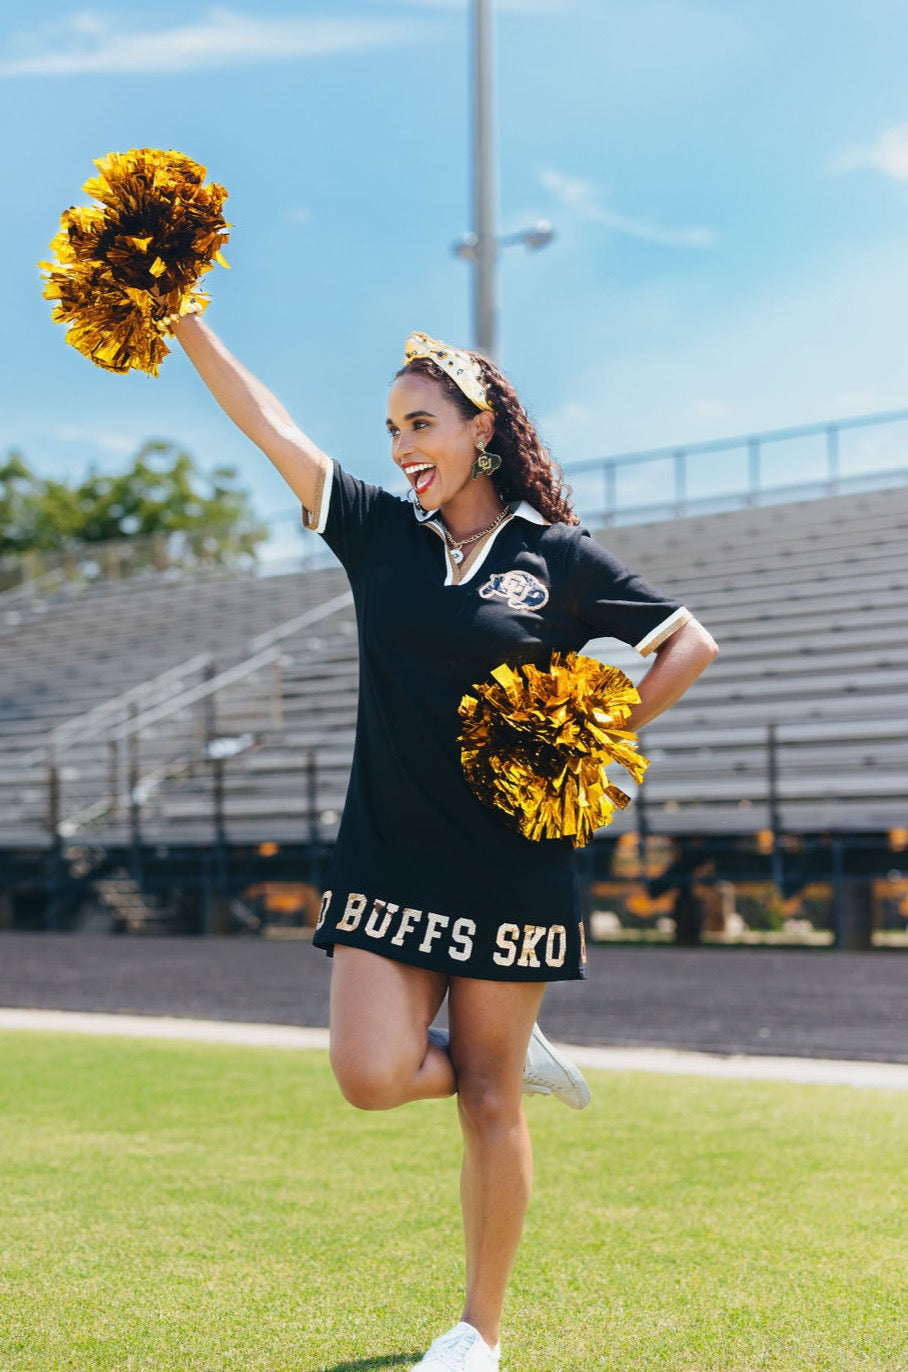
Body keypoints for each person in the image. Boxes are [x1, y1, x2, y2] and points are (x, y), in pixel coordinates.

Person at [168, 313, 718, 1371]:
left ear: (480, 431)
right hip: (384, 852)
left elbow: (686, 643)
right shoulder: (376, 532)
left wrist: (593, 735)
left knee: (487, 1100)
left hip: (511, 861)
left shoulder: (555, 558)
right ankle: (493, 1055)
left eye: (420, 423)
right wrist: (188, 321)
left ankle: (478, 1331)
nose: (400, 446)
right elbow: (267, 424)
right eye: (388, 428)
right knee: (370, 1073)